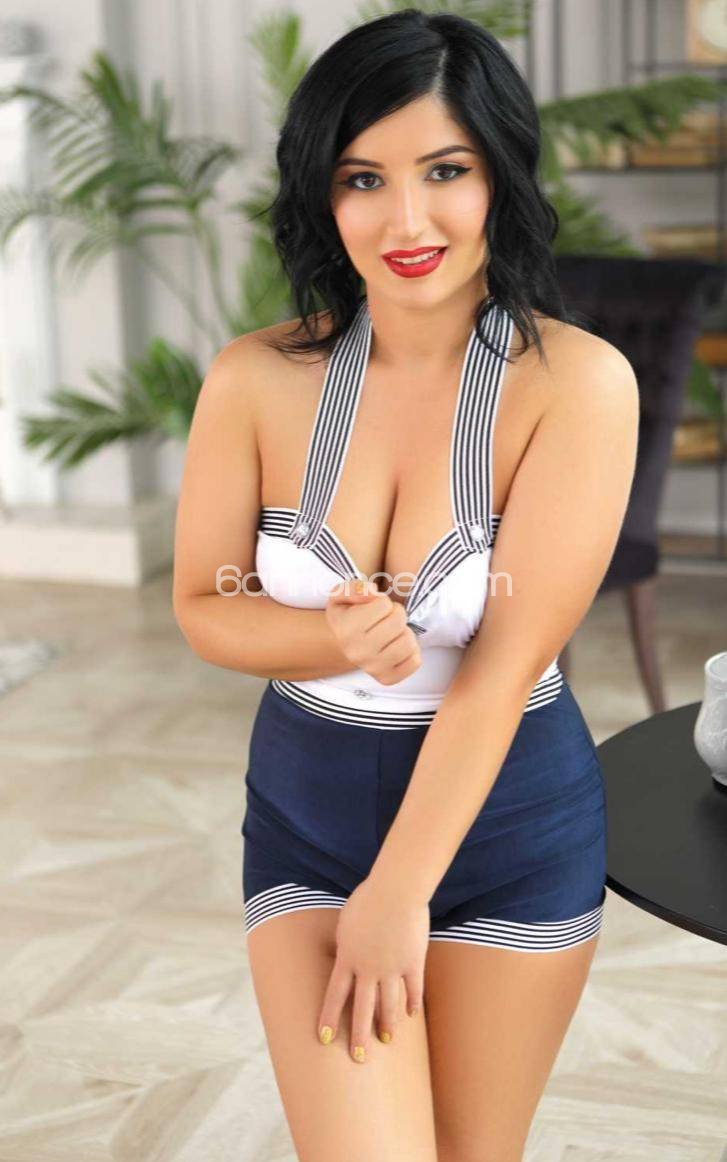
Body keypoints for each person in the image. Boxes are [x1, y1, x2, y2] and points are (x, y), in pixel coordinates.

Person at [173, 8, 639, 1160]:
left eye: (444, 170)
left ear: (501, 175)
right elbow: (203, 606)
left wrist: (397, 893)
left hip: (510, 823)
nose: (406, 219)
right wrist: (332, 641)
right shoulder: (250, 378)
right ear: (322, 194)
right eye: (362, 178)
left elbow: (502, 669)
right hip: (309, 820)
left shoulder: (577, 385)